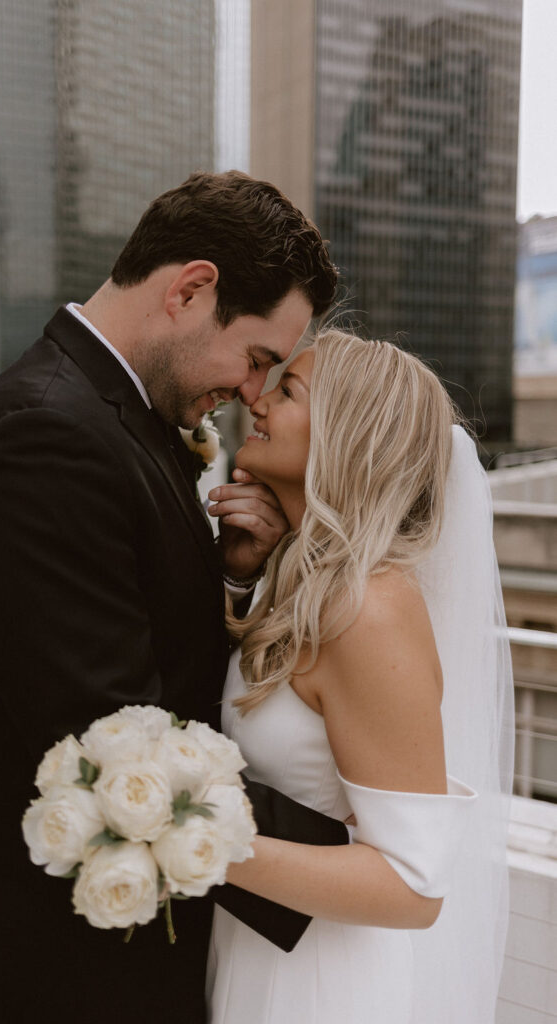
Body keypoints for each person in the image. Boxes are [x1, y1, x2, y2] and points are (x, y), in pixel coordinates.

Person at [0, 171, 350, 1024]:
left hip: (116, 931)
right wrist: (353, 867)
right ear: (191, 290)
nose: (253, 391)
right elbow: (105, 733)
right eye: (257, 357)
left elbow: (153, 643)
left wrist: (230, 575)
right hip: (60, 958)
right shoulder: (42, 435)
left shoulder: (117, 414)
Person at [206, 330, 514, 1023]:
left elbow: (410, 885)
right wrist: (241, 575)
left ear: (346, 434)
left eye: (286, 391)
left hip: (317, 985)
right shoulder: (299, 581)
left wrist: (199, 841)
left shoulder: (369, 606)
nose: (256, 400)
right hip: (256, 942)